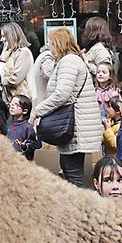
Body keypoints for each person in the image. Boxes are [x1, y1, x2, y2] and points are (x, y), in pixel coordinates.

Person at [33, 28, 102, 185]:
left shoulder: (69, 61)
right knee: (69, 168)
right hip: (77, 125)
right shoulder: (70, 61)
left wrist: (38, 111)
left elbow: (62, 94)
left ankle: (80, 200)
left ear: (58, 44)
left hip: (77, 125)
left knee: (72, 171)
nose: (49, 47)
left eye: (51, 43)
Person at [0, 21, 37, 104]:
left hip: (22, 101)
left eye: (4, 36)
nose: (1, 40)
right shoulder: (6, 52)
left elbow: (15, 79)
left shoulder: (23, 53)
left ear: (11, 36)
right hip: (9, 99)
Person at [4, 94, 39, 160]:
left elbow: (32, 145)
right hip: (6, 158)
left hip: (21, 161)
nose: (12, 106)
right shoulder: (7, 123)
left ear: (25, 111)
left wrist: (24, 146)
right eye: (11, 104)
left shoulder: (28, 127)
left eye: (16, 105)